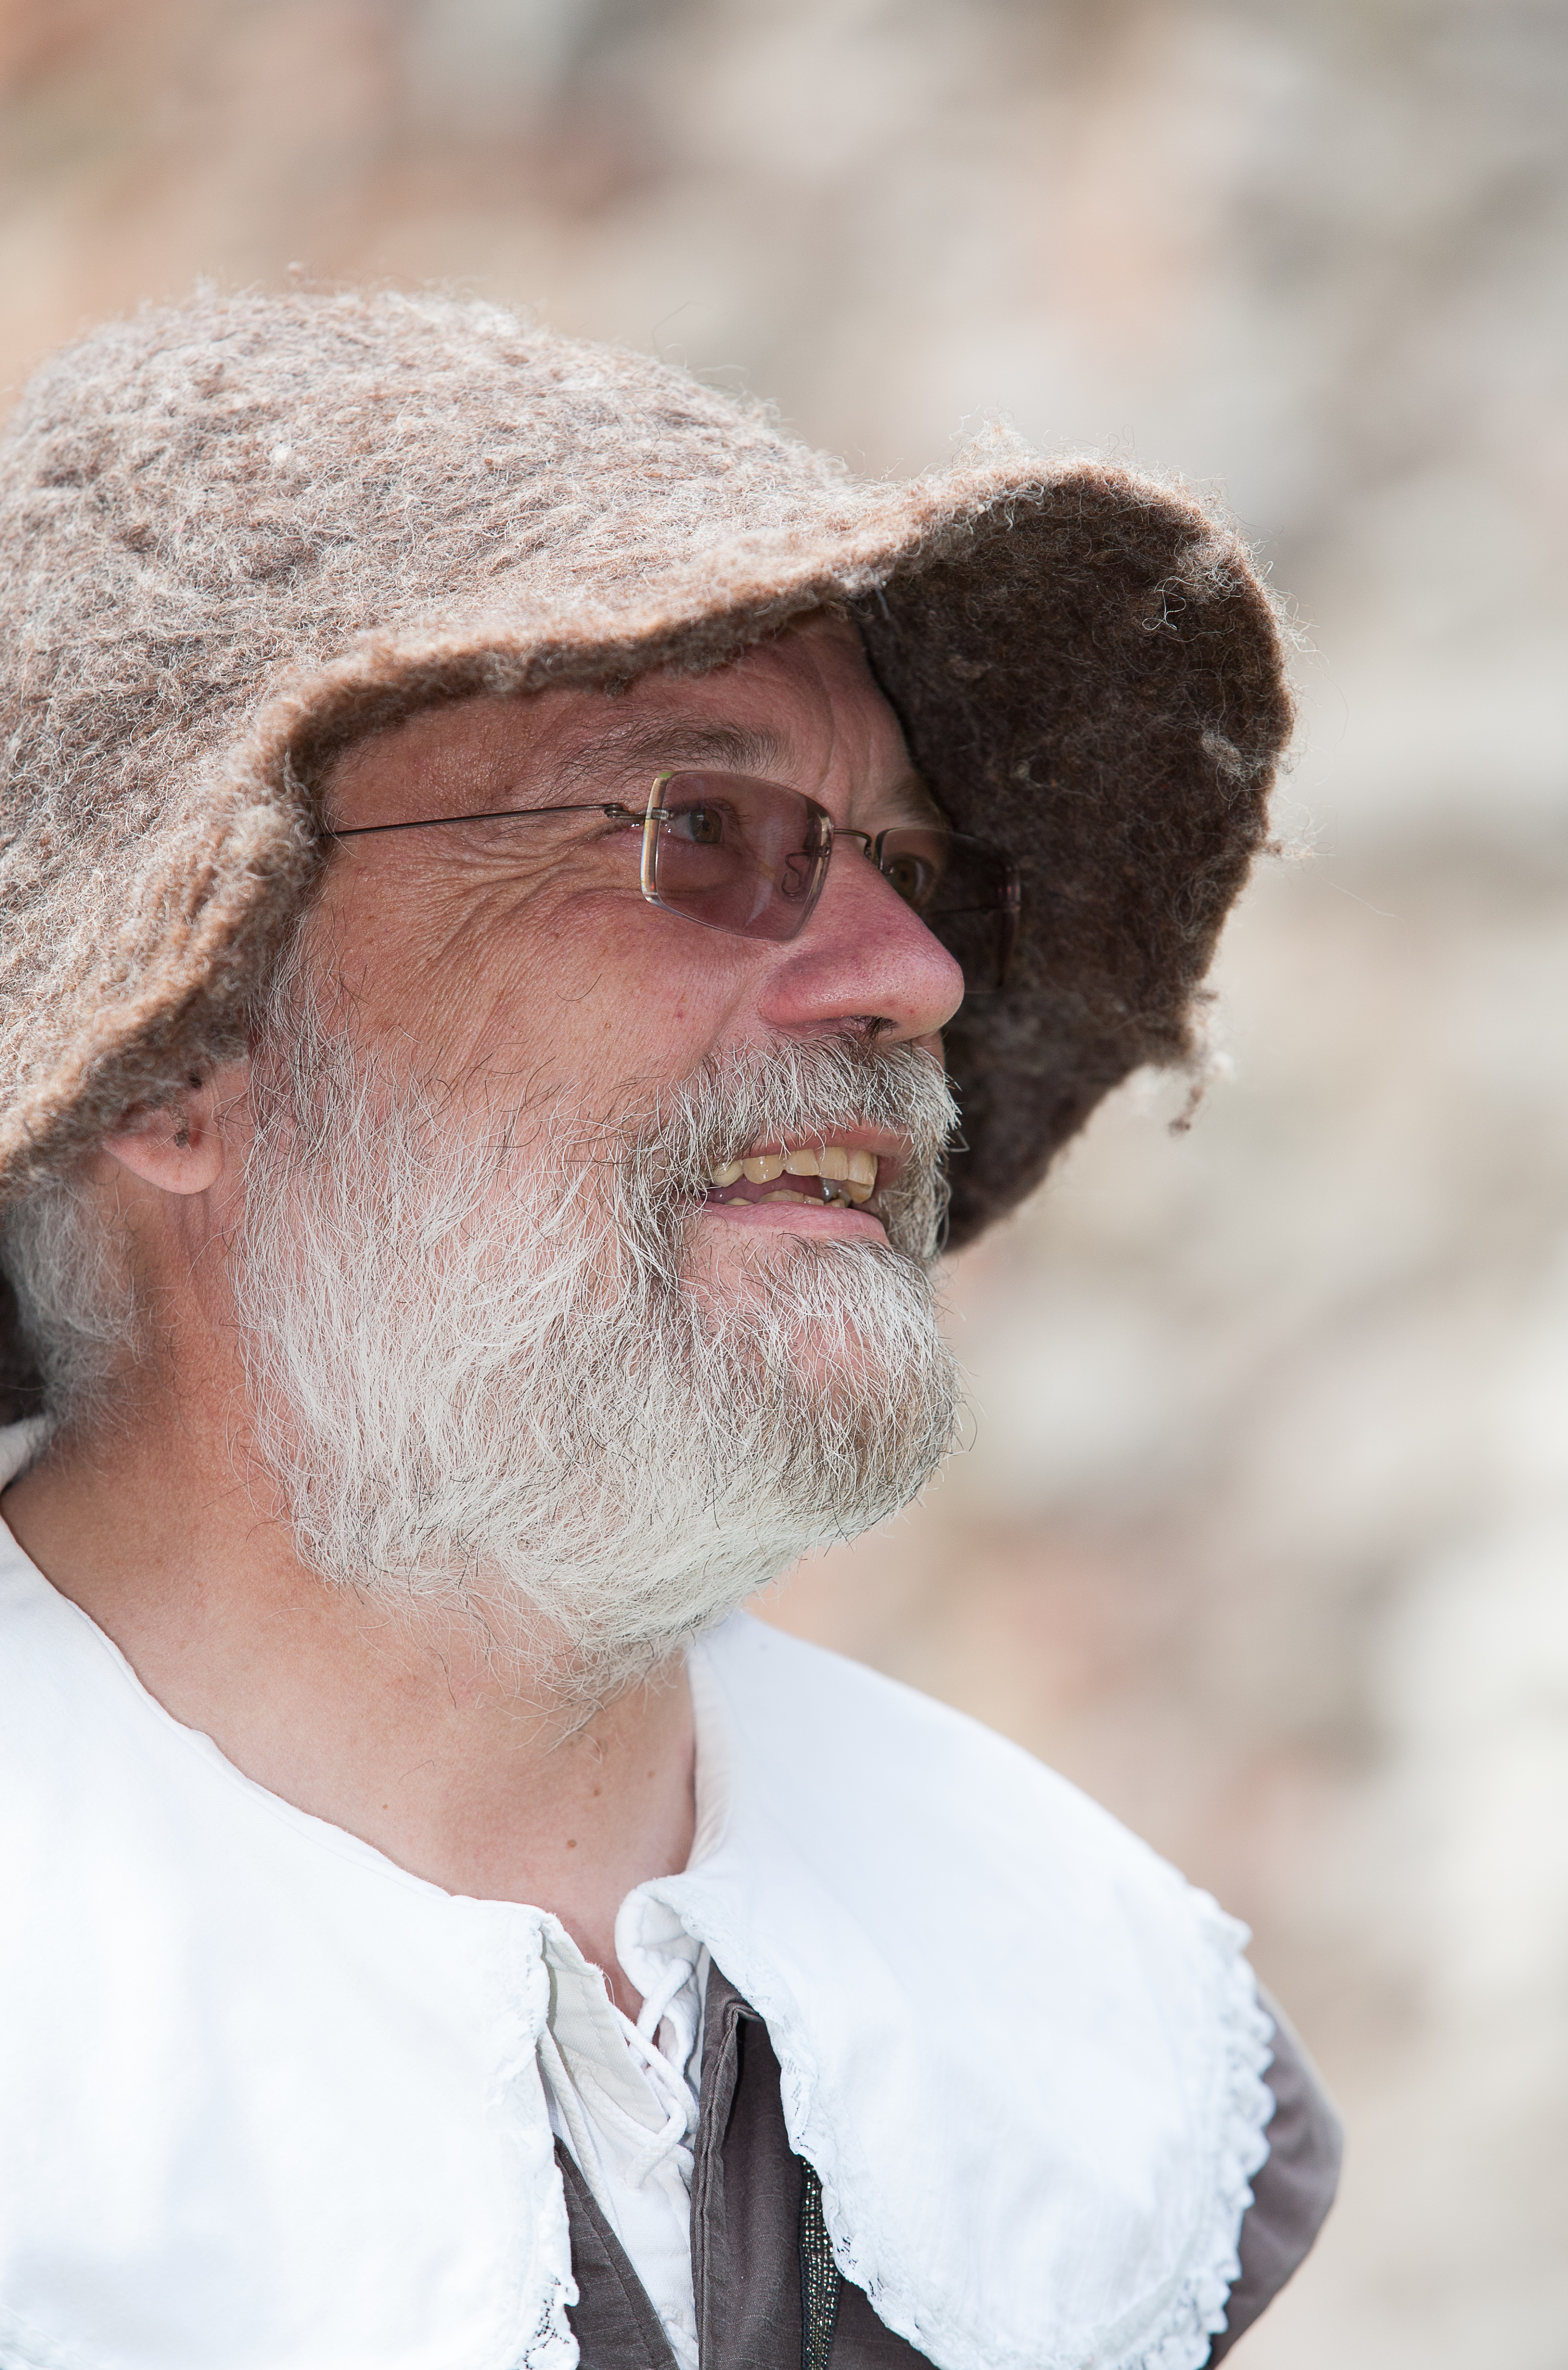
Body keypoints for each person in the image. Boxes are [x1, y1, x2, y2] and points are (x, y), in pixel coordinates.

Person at [0, 290, 1339, 2370]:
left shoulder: (1082, 2018)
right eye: (699, 828)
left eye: (910, 865)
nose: (912, 976)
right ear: (175, 1054)